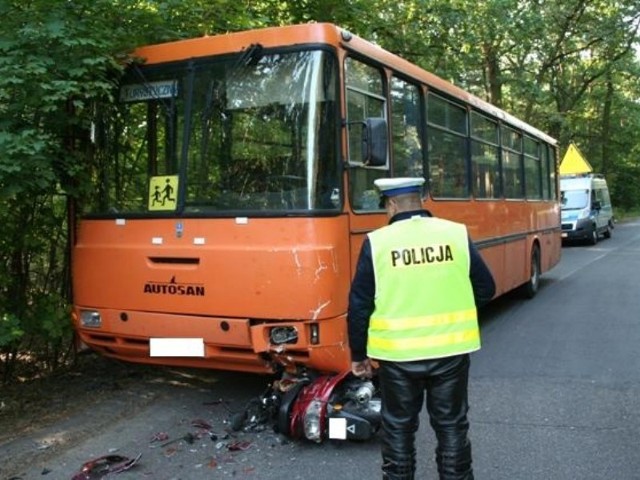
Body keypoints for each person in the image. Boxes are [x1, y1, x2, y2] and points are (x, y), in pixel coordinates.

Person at [347, 177, 496, 480]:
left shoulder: (378, 242)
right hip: (451, 352)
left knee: (398, 428)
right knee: (452, 425)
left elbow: (359, 306)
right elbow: (486, 288)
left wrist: (359, 355)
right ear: (420, 200)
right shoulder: (455, 234)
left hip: (397, 356)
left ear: (390, 204)